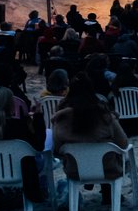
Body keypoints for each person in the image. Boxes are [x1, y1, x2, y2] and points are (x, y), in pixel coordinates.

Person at [52, 75, 133, 203]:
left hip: (75, 170)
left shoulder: (61, 119)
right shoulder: (105, 116)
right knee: (109, 150)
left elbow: (56, 149)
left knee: (94, 152)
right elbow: (123, 143)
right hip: (108, 169)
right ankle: (109, 192)